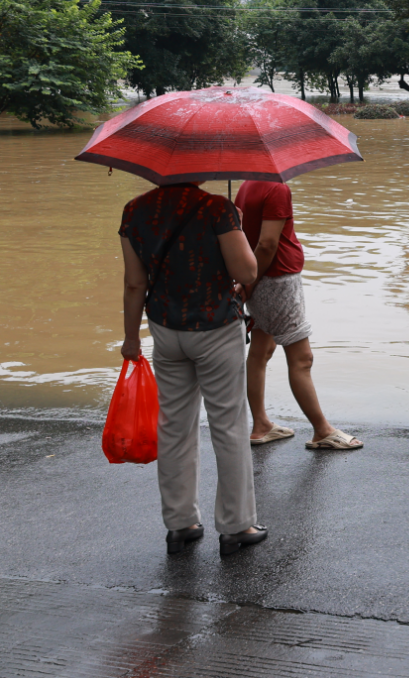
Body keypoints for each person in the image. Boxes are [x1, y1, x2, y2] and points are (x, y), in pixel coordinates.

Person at [118, 180, 268, 557]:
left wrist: (131, 338)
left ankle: (179, 524)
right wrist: (237, 226)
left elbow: (135, 283)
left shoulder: (134, 210)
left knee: (173, 427)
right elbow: (246, 272)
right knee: (228, 425)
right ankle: (236, 526)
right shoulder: (216, 208)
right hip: (215, 328)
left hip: (166, 331)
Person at [235, 180, 361, 451]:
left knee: (260, 352)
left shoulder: (246, 185)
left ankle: (261, 425)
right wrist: (250, 284)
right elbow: (268, 244)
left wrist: (247, 282)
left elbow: (245, 234)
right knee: (302, 358)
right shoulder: (276, 188)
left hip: (259, 279)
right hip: (276, 279)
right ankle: (322, 430)